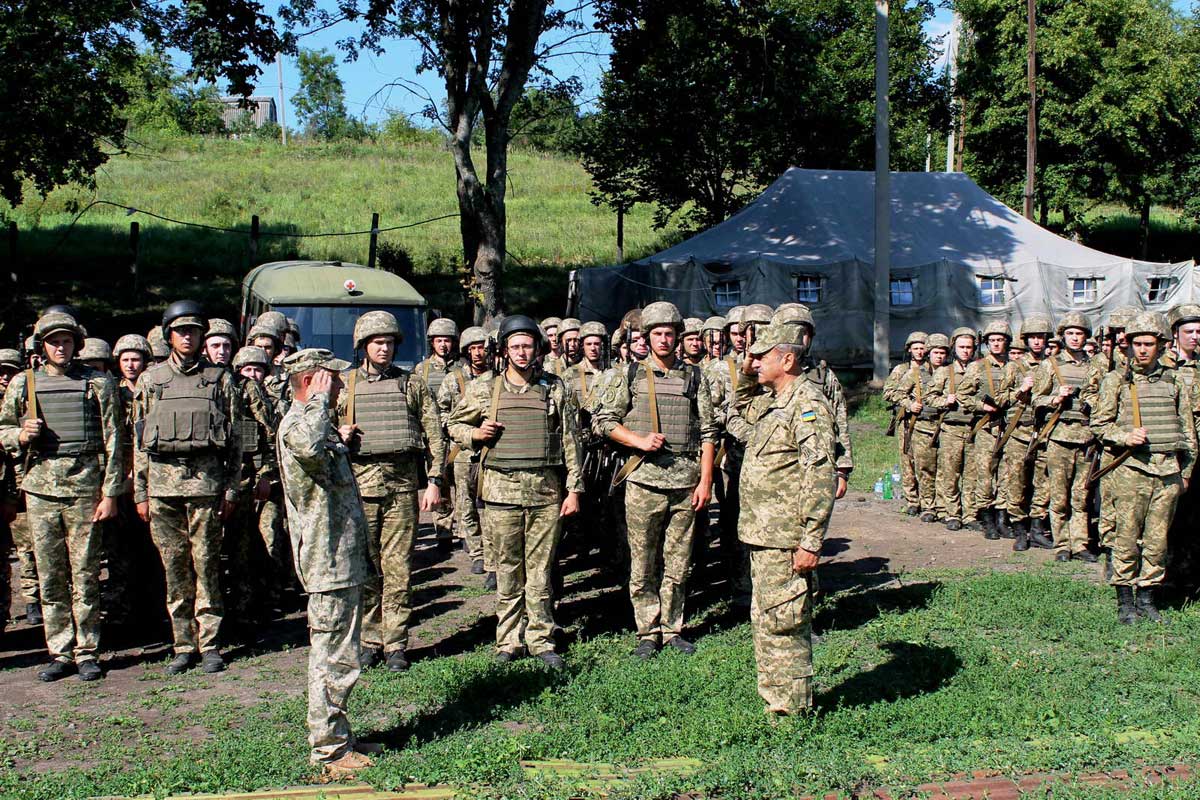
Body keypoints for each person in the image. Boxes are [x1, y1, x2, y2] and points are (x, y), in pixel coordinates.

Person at [448, 314, 582, 668]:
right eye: (516, 346)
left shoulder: (556, 388)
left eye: (528, 346)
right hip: (500, 494)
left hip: (545, 493)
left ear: (537, 349)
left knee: (540, 570)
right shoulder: (484, 389)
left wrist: (574, 489)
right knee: (508, 570)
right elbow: (454, 425)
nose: (522, 353)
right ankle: (508, 640)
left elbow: (571, 441)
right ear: (505, 350)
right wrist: (476, 435)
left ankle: (541, 638)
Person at [0, 311, 123, 681]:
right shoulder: (25, 384)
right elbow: (2, 428)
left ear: (76, 344)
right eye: (53, 341)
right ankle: (60, 650)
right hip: (40, 491)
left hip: (85, 488)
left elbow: (116, 440)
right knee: (50, 576)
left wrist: (110, 493)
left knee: (85, 574)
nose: (60, 347)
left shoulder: (98, 383)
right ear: (42, 346)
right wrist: (20, 435)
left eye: (66, 340)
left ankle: (87, 651)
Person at [595, 301, 718, 658]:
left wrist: (706, 480)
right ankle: (647, 631)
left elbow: (709, 431)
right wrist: (638, 440)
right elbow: (604, 421)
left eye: (669, 334)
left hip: (685, 483)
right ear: (646, 338)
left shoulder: (695, 377)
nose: (664, 340)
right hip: (644, 482)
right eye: (657, 334)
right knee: (644, 561)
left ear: (678, 337)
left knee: (678, 563)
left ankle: (672, 627)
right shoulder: (629, 375)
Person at [276, 347, 377, 774]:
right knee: (334, 655)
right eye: (332, 379)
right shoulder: (301, 422)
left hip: (341, 555)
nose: (339, 384)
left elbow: (323, 462)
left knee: (340, 650)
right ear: (312, 381)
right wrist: (319, 403)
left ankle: (336, 734)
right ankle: (330, 751)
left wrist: (343, 439)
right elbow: (308, 446)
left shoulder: (318, 424)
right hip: (326, 558)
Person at [732, 323, 836, 716]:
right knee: (768, 621)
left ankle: (791, 711)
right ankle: (777, 704)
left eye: (763, 356)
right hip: (765, 534)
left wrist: (811, 539)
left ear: (788, 359)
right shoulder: (775, 399)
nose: (754, 362)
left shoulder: (806, 404)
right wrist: (746, 371)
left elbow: (819, 474)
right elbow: (740, 406)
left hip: (787, 538)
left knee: (785, 623)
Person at [134, 300, 243, 675]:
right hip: (163, 490)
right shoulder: (151, 380)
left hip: (205, 488)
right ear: (169, 335)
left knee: (207, 565)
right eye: (181, 331)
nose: (187, 336)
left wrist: (231, 489)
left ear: (202, 336)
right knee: (175, 569)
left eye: (194, 331)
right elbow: (140, 442)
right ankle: (183, 644)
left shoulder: (220, 380)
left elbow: (236, 442)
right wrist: (141, 493)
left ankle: (210, 643)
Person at [338, 311, 445, 672]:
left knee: (398, 569)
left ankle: (395, 643)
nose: (383, 349)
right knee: (367, 570)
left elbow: (434, 436)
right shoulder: (346, 385)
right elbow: (320, 433)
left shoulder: (411, 384)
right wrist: (340, 437)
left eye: (388, 342)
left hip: (401, 490)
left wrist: (434, 482)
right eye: (376, 342)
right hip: (360, 489)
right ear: (363, 346)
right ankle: (370, 639)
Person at [1092, 312, 1197, 623]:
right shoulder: (1116, 381)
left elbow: (1187, 431)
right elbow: (1099, 424)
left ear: (1161, 345)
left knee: (1157, 540)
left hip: (1167, 473)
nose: (1141, 349)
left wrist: (1186, 471)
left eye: (1148, 343)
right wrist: (1125, 435)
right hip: (1130, 471)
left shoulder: (1174, 380)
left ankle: (1148, 598)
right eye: (1136, 343)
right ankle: (1125, 601)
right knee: (1125, 537)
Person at [1032, 312, 1097, 563]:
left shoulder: (1095, 366)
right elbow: (1036, 399)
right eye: (1070, 333)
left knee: (1081, 496)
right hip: (1059, 436)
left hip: (1087, 437)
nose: (1075, 338)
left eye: (1079, 333)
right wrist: (1055, 398)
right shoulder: (1050, 365)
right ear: (1063, 336)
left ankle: (1080, 543)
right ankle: (1062, 544)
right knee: (1059, 495)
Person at [225, 346, 280, 624]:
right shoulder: (220, 387)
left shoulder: (256, 395)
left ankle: (254, 604)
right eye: (247, 369)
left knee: (253, 544)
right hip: (223, 479)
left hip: (252, 477)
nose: (253, 374)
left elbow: (269, 436)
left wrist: (266, 475)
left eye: (258, 369)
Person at [438, 326, 496, 582]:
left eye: (481, 347)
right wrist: (466, 432)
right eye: (472, 349)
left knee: (490, 505)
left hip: (490, 451)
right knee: (466, 504)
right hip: (462, 452)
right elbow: (442, 414)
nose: (477, 353)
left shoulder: (498, 378)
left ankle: (493, 554)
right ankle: (476, 553)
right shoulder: (453, 380)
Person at [997, 315, 1053, 550]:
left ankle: (1038, 529)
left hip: (1046, 432)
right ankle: (1020, 529)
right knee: (1016, 482)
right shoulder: (1014, 367)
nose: (1037, 342)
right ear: (1026, 340)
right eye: (1033, 337)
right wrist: (1020, 390)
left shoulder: (1054, 365)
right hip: (1019, 432)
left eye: (1041, 337)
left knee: (1044, 484)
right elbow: (999, 399)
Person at [926, 327, 982, 531]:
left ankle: (970, 514)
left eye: (969, 347)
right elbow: (929, 397)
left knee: (972, 474)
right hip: (951, 428)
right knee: (950, 473)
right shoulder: (944, 372)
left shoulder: (981, 369)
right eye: (961, 347)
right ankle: (952, 513)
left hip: (976, 428)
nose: (965, 351)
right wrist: (944, 401)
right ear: (954, 348)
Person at [0, 348, 40, 626]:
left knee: (31, 545)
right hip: (5, 482)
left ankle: (33, 600)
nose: (4, 377)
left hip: (26, 480)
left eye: (10, 371)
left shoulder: (28, 398)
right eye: (0, 371)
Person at [415, 317, 459, 549]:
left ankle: (465, 527)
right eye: (439, 341)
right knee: (438, 481)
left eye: (448, 341)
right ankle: (443, 530)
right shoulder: (422, 370)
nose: (443, 345)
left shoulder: (462, 368)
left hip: (458, 435)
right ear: (432, 342)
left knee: (462, 483)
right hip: (434, 436)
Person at [964, 321, 1010, 539]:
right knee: (985, 474)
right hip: (986, 427)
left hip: (1009, 427)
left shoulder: (1015, 366)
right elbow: (964, 396)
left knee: (1006, 474)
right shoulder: (977, 367)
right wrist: (982, 406)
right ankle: (987, 519)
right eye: (992, 340)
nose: (996, 344)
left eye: (1000, 340)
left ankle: (1002, 519)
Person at [882, 331, 929, 516]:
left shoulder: (933, 368)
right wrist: (908, 403)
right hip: (907, 421)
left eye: (922, 348)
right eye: (915, 348)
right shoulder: (901, 370)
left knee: (925, 461)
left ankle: (928, 501)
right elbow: (887, 392)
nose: (919, 352)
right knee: (906, 459)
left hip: (928, 421)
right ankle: (912, 501)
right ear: (909, 350)